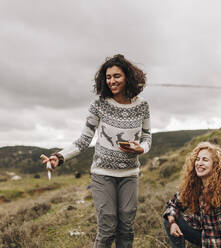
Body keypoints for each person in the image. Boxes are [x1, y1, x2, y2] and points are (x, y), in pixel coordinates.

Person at [42, 54, 151, 248]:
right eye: (108, 77)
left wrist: (141, 148)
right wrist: (59, 157)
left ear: (127, 76)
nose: (111, 81)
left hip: (130, 174)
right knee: (108, 228)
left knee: (126, 228)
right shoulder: (99, 105)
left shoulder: (142, 106)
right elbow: (84, 140)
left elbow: (147, 136)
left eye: (116, 76)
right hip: (102, 174)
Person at [163, 142, 221, 247]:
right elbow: (173, 204)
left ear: (215, 165)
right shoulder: (196, 187)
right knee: (169, 217)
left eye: (205, 160)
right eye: (197, 159)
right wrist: (172, 223)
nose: (199, 163)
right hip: (209, 238)